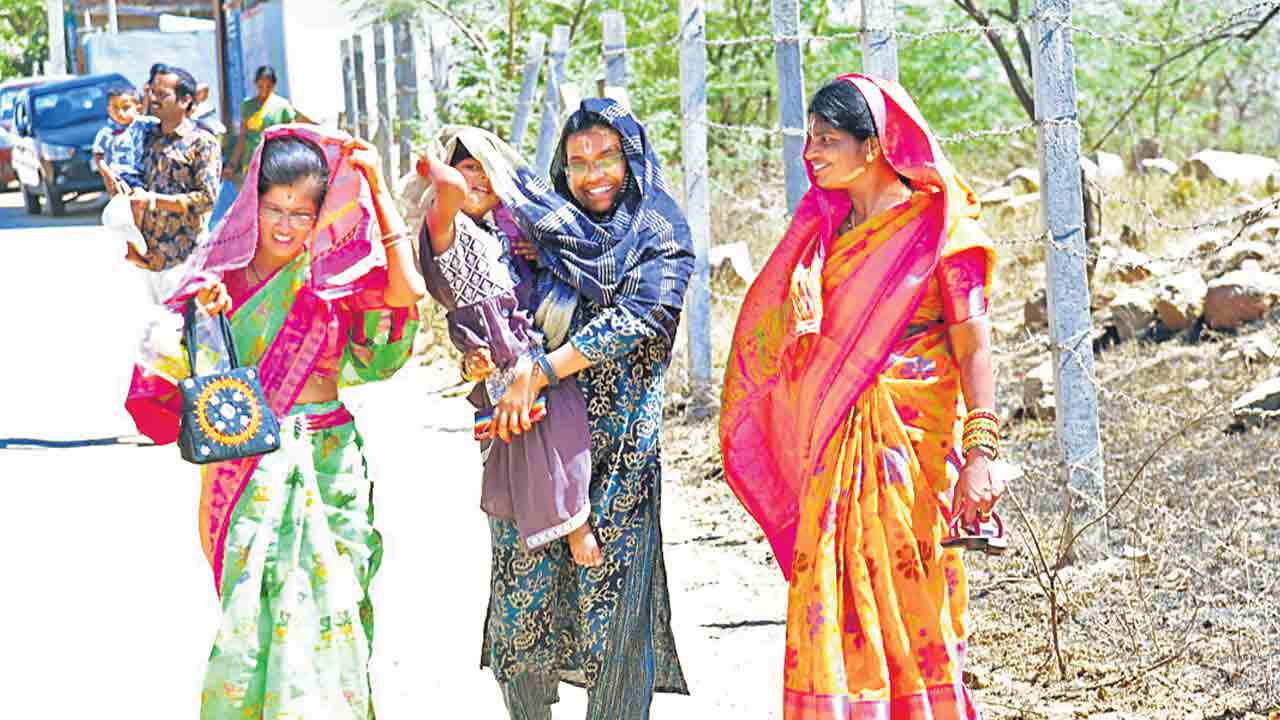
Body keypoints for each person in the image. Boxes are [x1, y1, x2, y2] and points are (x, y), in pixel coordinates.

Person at [720, 73, 1006, 719]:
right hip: (831, 445)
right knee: (827, 586)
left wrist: (982, 451)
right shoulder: (822, 233)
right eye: (809, 140)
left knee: (910, 595)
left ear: (873, 146)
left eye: (827, 140)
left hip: (911, 449)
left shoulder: (943, 232)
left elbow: (974, 348)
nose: (811, 154)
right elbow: (771, 336)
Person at [124, 124, 425, 719]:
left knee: (338, 601)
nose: (286, 226)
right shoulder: (216, 281)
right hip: (250, 470)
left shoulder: (333, 272)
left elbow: (404, 295)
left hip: (328, 455)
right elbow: (163, 370)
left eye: (301, 213)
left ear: (321, 213)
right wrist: (205, 321)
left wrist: (378, 189)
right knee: (252, 618)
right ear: (251, 206)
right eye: (274, 210)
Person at [467, 98, 693, 720]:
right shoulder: (546, 230)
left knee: (614, 617)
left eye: (607, 158)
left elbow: (637, 320)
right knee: (523, 602)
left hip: (621, 453)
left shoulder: (661, 233)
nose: (592, 175)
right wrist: (482, 359)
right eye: (577, 162)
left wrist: (539, 371)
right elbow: (500, 308)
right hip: (533, 442)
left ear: (634, 158)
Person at [416, 126, 598, 564]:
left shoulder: (505, 232)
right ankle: (573, 528)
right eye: (466, 167)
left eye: (485, 171)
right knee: (531, 442)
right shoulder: (446, 227)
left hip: (524, 350)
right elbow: (451, 189)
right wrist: (428, 165)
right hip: (502, 359)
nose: (475, 181)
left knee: (557, 430)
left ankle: (568, 519)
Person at [127, 65, 220, 301]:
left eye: (162, 95)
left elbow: (207, 198)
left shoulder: (202, 143)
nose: (154, 100)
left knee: (181, 331)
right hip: (146, 258)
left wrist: (154, 201)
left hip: (183, 259)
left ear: (185, 100)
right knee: (151, 333)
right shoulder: (144, 138)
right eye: (152, 93)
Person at [224, 66, 311, 182]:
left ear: (274, 86)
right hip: (251, 162)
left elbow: (293, 135)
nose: (264, 90)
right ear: (255, 84)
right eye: (260, 86)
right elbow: (242, 138)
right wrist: (232, 164)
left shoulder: (282, 106)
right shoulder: (248, 106)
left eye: (268, 87)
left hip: (275, 162)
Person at [92, 86, 159, 196]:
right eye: (115, 108)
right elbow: (98, 154)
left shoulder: (143, 123)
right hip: (122, 174)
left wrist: (148, 96)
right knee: (135, 197)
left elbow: (162, 123)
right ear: (109, 110)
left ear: (138, 108)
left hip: (147, 172)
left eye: (126, 107)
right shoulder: (106, 132)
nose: (120, 112)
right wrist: (107, 174)